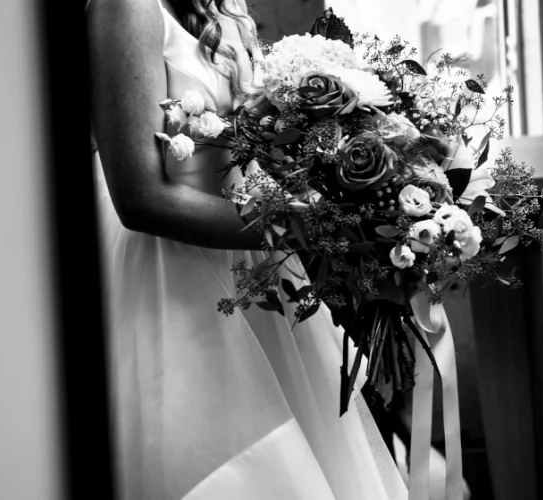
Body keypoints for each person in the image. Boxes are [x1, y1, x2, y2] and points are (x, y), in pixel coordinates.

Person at [85, 0, 468, 498]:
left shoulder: (222, 9)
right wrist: (305, 227)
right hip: (168, 279)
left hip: (253, 268)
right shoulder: (126, 8)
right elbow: (140, 198)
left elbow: (251, 151)